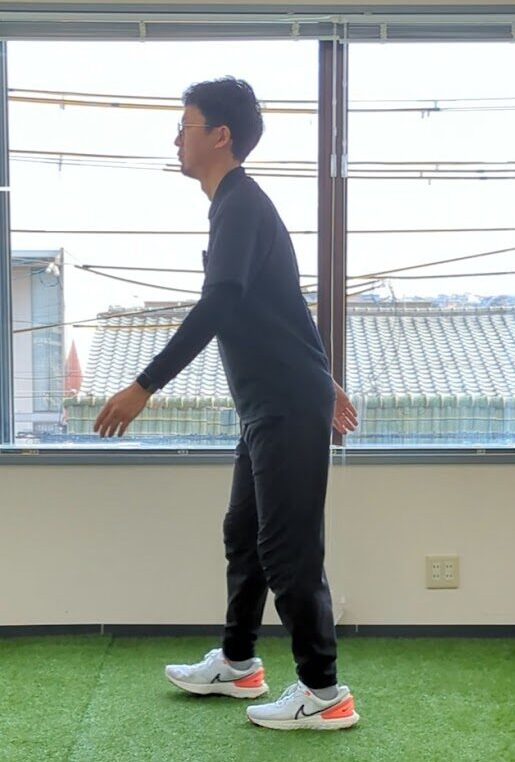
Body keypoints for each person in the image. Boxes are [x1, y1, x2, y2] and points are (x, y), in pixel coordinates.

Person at [94, 76, 359, 731]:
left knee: (288, 548)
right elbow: (286, 301)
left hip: (282, 402)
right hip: (271, 402)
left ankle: (325, 692)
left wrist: (144, 384)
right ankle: (238, 663)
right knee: (244, 536)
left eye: (184, 126)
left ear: (220, 135)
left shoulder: (241, 204)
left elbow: (221, 302)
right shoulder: (236, 207)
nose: (175, 140)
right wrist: (323, 377)